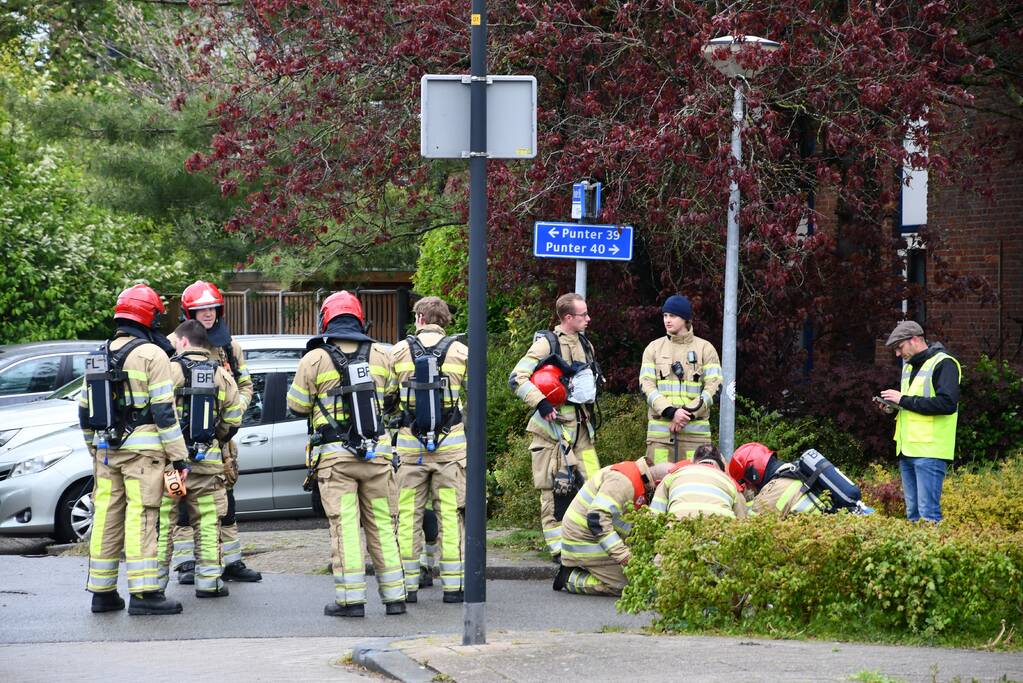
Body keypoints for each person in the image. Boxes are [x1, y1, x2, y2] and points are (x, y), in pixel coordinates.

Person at [287, 291, 406, 617]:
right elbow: (394, 401)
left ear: (326, 320)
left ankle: (352, 600)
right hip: (378, 458)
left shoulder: (314, 359)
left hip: (336, 462)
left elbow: (296, 405)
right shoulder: (383, 355)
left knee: (346, 528)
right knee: (383, 524)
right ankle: (395, 597)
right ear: (358, 319)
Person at [79, 284, 188, 615]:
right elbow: (164, 412)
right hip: (143, 454)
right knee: (142, 516)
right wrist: (179, 455)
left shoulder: (99, 353)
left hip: (105, 452)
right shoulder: (152, 355)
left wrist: (94, 450)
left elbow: (84, 411)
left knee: (107, 517)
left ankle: (102, 593)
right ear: (148, 316)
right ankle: (144, 595)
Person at [170, 280, 262, 584]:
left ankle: (232, 560)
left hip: (221, 440)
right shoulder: (174, 344)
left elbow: (245, 385)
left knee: (226, 502)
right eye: (200, 309)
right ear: (188, 312)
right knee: (182, 502)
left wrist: (235, 406)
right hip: (180, 442)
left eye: (211, 308)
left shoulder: (230, 347)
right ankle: (186, 563)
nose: (207, 314)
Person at [386, 296, 468, 604]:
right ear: (445, 321)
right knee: (449, 513)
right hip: (450, 451)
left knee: (408, 515)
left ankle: (408, 586)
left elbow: (388, 398)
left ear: (419, 319)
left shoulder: (397, 351)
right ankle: (453, 586)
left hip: (410, 451)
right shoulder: (461, 352)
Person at [508, 293, 601, 559]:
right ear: (568, 318)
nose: (588, 318)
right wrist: (542, 404)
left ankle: (583, 544)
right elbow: (517, 378)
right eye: (583, 315)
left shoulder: (585, 343)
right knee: (554, 493)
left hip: (582, 432)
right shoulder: (546, 345)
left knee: (594, 485)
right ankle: (560, 552)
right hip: (553, 433)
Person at [156, 320, 242, 598]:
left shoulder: (168, 370)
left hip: (173, 469)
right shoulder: (222, 375)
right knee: (207, 522)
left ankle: (153, 584)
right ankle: (209, 583)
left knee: (167, 522)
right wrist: (217, 435)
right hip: (207, 469)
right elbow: (233, 419)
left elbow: (156, 410)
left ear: (182, 342)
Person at [553, 456, 673, 596]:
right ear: (658, 482)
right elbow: (596, 520)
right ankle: (570, 578)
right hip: (583, 542)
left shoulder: (637, 479)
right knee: (628, 586)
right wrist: (624, 556)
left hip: (592, 539)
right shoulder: (623, 481)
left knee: (642, 578)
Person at [880, 320, 961, 523]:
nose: (898, 354)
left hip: (930, 451)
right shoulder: (909, 367)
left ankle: (933, 554)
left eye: (900, 347)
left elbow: (947, 404)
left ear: (914, 340)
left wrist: (903, 400)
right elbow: (913, 404)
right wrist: (893, 406)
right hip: (907, 450)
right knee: (913, 515)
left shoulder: (945, 363)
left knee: (928, 515)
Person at [639, 295, 722, 464]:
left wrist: (686, 415)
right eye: (665, 315)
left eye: (673, 316)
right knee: (658, 483)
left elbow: (714, 388)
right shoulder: (653, 348)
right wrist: (671, 412)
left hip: (695, 439)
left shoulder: (705, 348)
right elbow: (646, 386)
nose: (667, 320)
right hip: (661, 437)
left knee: (693, 484)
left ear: (685, 319)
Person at [650, 445, 746, 519]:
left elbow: (654, 515)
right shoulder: (730, 483)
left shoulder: (672, 476)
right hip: (719, 534)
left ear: (693, 461)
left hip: (678, 533)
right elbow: (742, 522)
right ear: (722, 466)